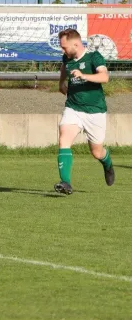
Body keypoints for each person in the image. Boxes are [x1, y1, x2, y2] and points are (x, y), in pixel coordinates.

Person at [54, 28, 114, 195]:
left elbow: (105, 77)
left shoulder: (94, 57)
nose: (62, 50)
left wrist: (84, 76)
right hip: (73, 107)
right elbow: (64, 67)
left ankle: (107, 162)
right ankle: (65, 182)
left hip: (95, 111)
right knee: (64, 137)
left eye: (64, 47)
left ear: (76, 44)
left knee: (96, 152)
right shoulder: (67, 57)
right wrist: (61, 83)